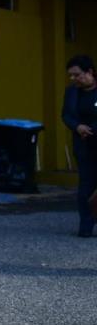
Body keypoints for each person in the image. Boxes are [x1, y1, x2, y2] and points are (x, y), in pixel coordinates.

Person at [62, 54, 97, 238]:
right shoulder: (72, 92)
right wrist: (78, 127)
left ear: (90, 72)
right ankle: (86, 225)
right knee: (85, 186)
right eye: (71, 75)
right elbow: (66, 115)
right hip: (83, 145)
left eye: (77, 75)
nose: (73, 79)